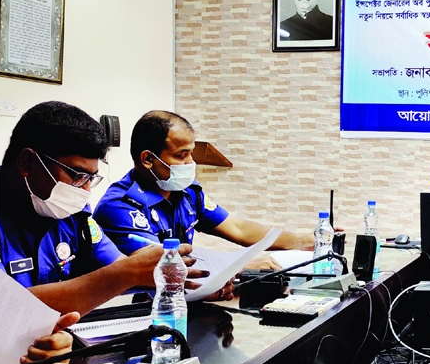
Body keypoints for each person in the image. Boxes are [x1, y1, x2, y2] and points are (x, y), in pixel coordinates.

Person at [0, 101, 205, 316]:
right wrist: (126, 273)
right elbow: (4, 309)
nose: (85, 190)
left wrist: (193, 285)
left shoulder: (72, 212)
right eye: (77, 175)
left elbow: (120, 267)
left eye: (91, 178)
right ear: (26, 162)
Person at [93, 111, 314, 271]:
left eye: (191, 153)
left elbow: (236, 228)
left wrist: (302, 240)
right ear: (148, 159)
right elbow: (163, 265)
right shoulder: (119, 206)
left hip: (190, 297)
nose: (191, 163)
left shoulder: (187, 192)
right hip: (144, 310)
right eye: (181, 155)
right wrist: (236, 265)